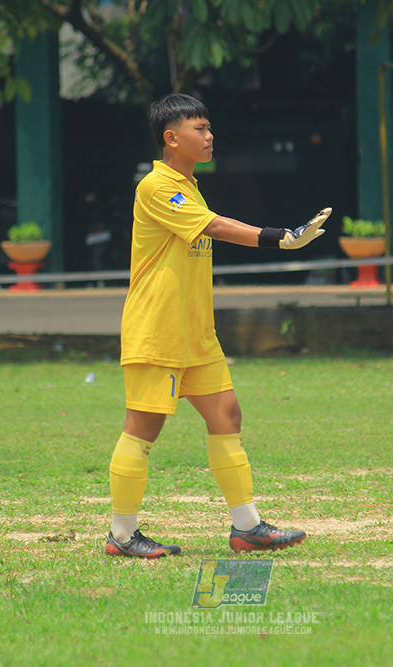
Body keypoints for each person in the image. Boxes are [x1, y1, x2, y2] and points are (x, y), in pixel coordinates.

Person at [106, 93, 326, 559]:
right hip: (157, 330)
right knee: (143, 428)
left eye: (209, 129)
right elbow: (217, 227)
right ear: (172, 138)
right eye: (199, 129)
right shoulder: (158, 185)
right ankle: (121, 536)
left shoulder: (187, 185)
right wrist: (280, 238)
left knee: (227, 416)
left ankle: (246, 528)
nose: (210, 137)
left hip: (196, 334)